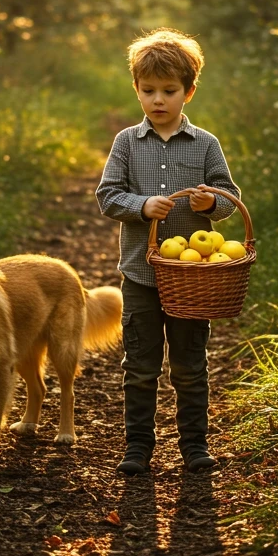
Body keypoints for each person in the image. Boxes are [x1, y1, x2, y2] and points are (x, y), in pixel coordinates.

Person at [96, 28, 241, 476]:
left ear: (189, 92)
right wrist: (141, 206)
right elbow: (107, 196)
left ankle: (194, 445)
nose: (158, 100)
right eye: (148, 91)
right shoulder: (125, 142)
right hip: (141, 276)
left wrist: (209, 203)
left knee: (190, 366)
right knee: (139, 367)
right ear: (136, 90)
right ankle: (137, 446)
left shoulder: (205, 145)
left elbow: (228, 196)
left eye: (169, 91)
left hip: (193, 279)